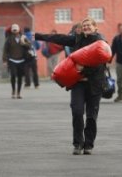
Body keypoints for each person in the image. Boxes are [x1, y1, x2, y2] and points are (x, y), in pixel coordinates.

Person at [35, 17, 106, 155]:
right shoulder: (77, 39)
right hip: (78, 83)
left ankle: (89, 145)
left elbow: (100, 65)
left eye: (88, 25)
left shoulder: (100, 42)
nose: (85, 27)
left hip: (94, 84)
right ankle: (78, 144)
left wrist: (83, 70)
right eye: (84, 25)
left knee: (91, 116)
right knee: (77, 112)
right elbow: (58, 38)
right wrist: (38, 36)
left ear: (95, 28)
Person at [2, 24, 31, 99]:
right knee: (13, 75)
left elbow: (29, 45)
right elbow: (5, 50)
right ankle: (13, 90)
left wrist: (23, 43)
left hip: (21, 60)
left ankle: (18, 92)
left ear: (19, 30)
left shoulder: (23, 37)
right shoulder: (9, 39)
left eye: (16, 30)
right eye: (13, 30)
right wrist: (4, 60)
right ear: (11, 30)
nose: (15, 31)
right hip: (12, 60)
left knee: (20, 77)